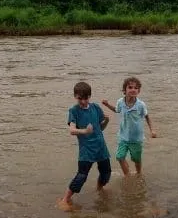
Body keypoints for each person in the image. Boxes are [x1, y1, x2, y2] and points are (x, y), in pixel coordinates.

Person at [59, 82, 111, 210]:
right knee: (81, 176)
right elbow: (72, 130)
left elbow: (100, 128)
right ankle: (65, 199)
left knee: (106, 173)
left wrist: (107, 121)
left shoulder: (96, 108)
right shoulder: (73, 111)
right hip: (86, 150)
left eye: (85, 98)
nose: (83, 101)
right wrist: (84, 131)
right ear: (75, 96)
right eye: (79, 98)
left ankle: (99, 189)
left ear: (90, 96)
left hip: (101, 147)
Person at [102, 77, 156, 176]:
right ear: (124, 90)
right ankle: (127, 174)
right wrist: (107, 105)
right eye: (130, 87)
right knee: (119, 157)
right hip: (123, 136)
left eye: (136, 88)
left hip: (136, 138)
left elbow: (147, 117)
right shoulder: (120, 102)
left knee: (136, 159)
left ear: (138, 91)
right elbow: (117, 110)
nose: (133, 89)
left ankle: (139, 173)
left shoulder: (140, 105)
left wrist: (152, 130)